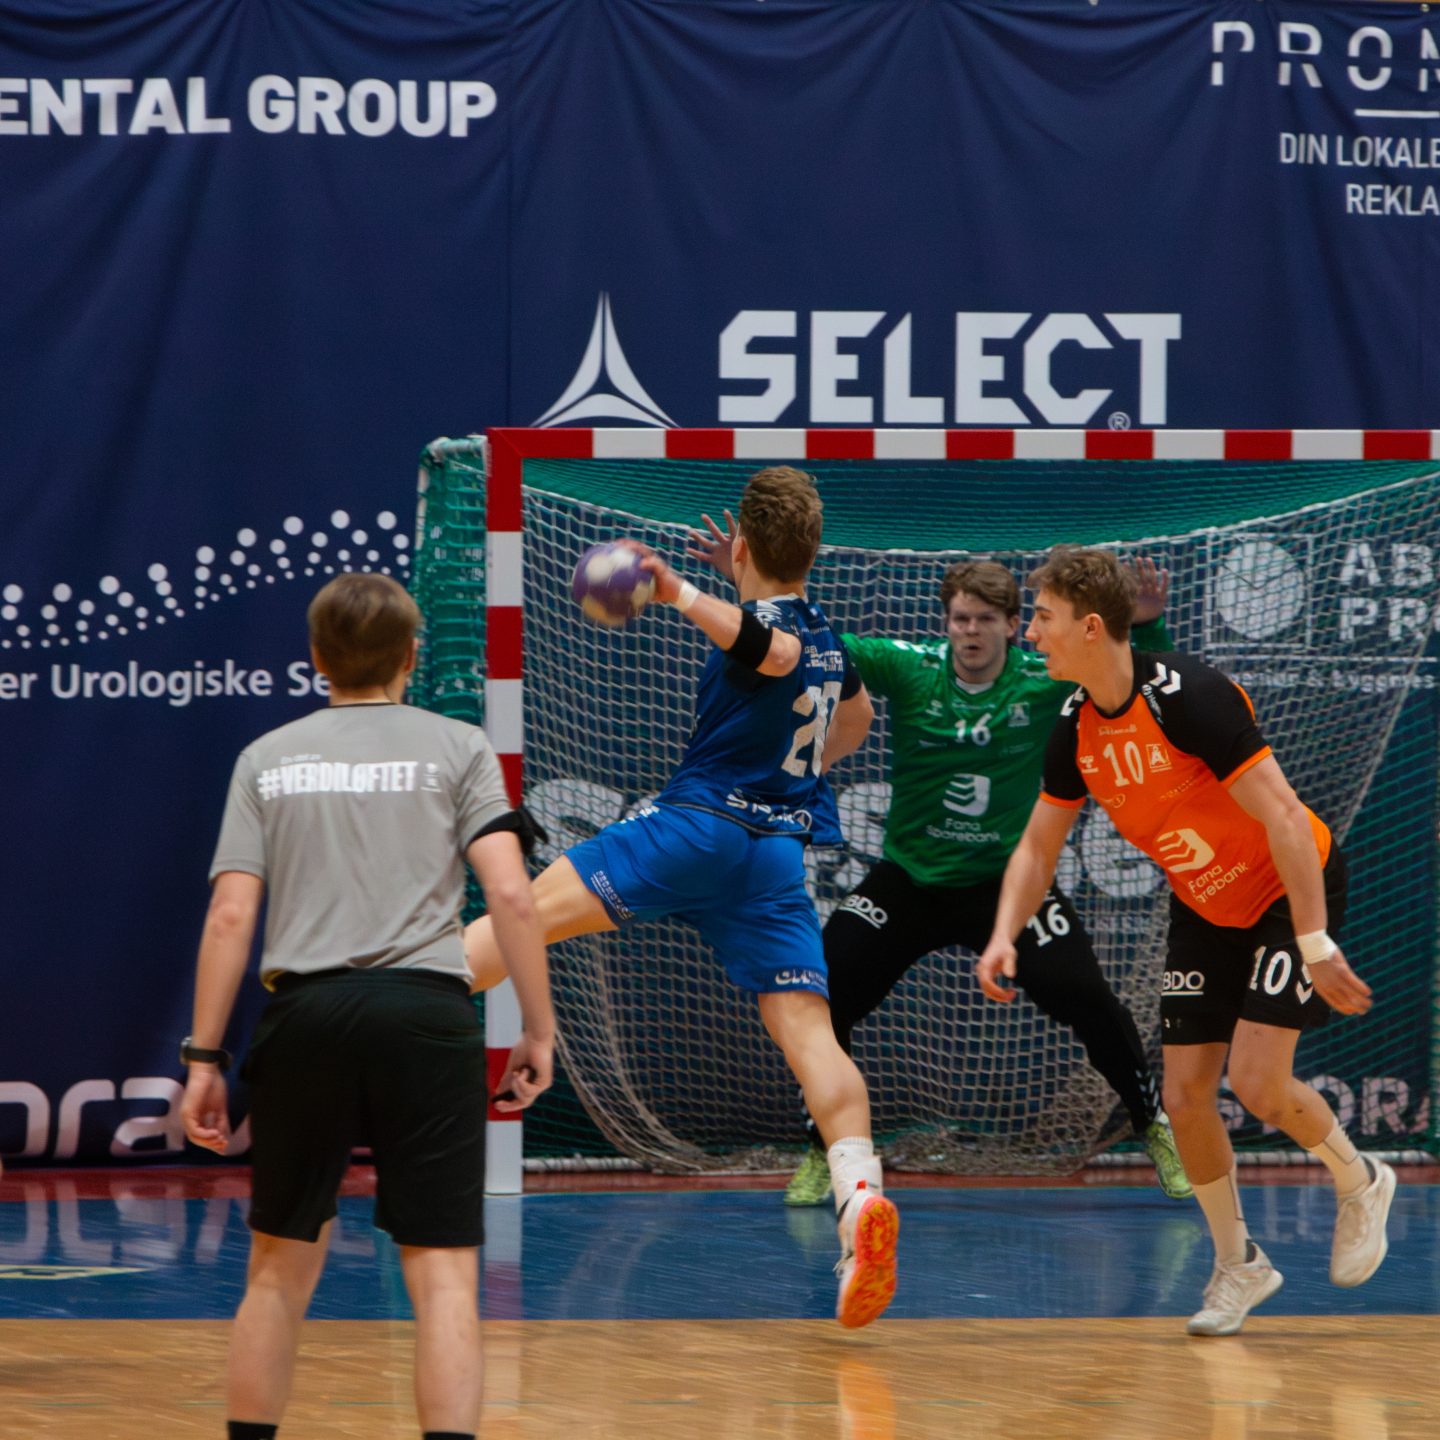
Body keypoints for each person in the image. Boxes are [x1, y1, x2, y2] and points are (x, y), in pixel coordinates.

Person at [465, 466, 901, 1329]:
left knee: (522, 919)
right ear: (812, 551)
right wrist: (790, 767)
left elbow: (769, 651)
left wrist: (675, 590)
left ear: (744, 545)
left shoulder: (777, 634)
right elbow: (852, 721)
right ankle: (860, 1201)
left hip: (697, 831)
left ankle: (376, 1014)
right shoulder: (831, 640)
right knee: (811, 1036)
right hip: (773, 857)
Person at [686, 519, 1189, 1206]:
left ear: (1013, 626)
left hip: (1006, 887)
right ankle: (824, 1146)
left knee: (1091, 1000)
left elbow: (1130, 679)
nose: (970, 632)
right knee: (820, 992)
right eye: (960, 619)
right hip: (910, 881)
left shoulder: (1046, 680)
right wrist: (749, 590)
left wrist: (1150, 626)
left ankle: (1154, 1126)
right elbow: (803, 646)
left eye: (985, 620)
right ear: (946, 623)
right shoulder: (910, 667)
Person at [977, 546, 1395, 1337]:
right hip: (1206, 906)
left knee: (1259, 1085)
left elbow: (1284, 816)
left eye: (1042, 617)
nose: (1029, 632)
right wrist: (1004, 935)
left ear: (1090, 626)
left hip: (1285, 885)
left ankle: (1362, 1180)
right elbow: (1037, 847)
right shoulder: (1075, 728)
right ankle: (1240, 1264)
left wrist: (1313, 942)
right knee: (1183, 1097)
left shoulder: (1188, 695)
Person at [180, 572, 554, 1440]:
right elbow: (513, 895)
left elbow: (230, 915)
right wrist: (537, 1028)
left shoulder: (266, 757)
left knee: (276, 1272)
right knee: (445, 1277)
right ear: (412, 657)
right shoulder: (461, 747)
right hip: (426, 1019)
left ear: (317, 658)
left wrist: (203, 1058)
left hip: (305, 1019)